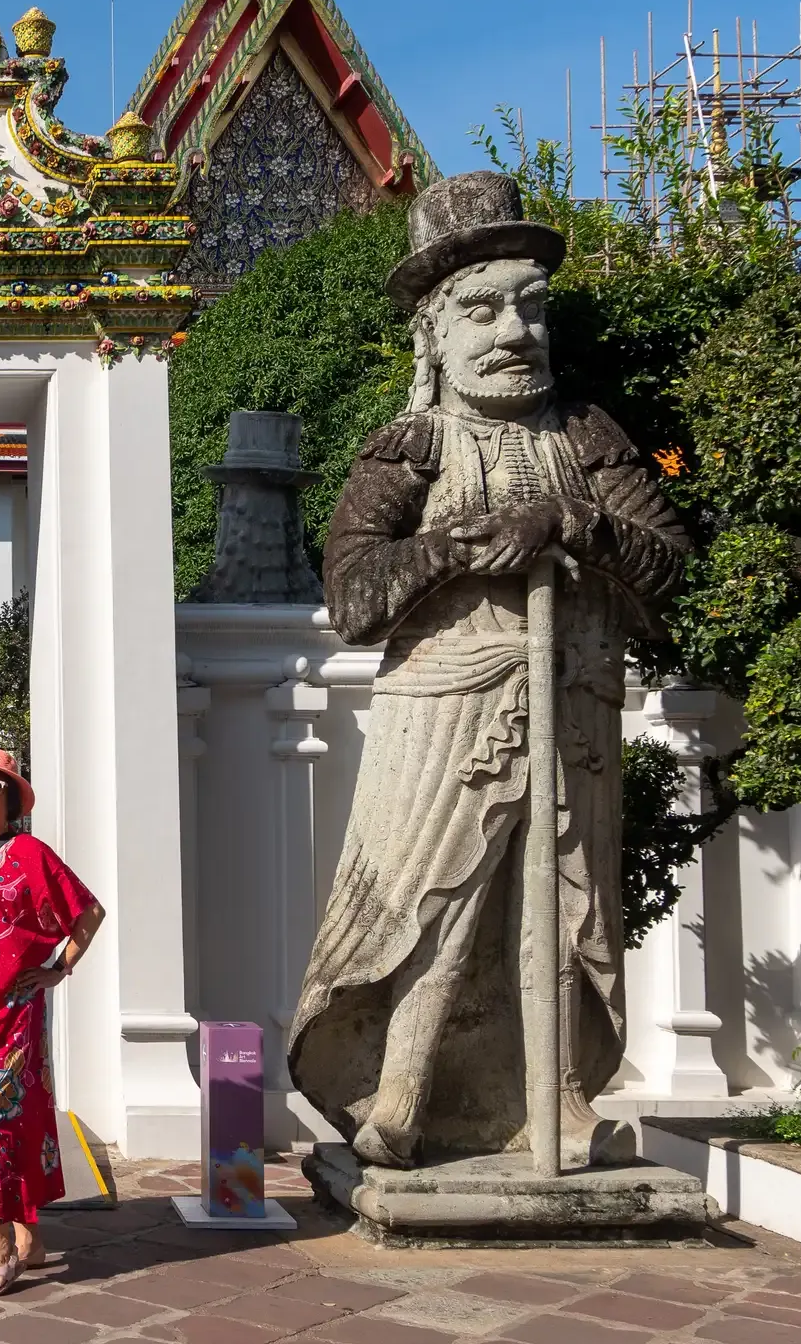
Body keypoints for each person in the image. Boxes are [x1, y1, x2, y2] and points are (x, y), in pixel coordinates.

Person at [290, 172, 688, 1170]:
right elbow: (352, 598)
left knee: (564, 904)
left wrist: (572, 525)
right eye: (481, 308)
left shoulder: (587, 439)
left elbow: (669, 563)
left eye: (529, 308)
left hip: (571, 696)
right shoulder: (412, 443)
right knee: (431, 902)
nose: (512, 329)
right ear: (433, 333)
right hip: (445, 705)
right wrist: (461, 547)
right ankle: (399, 1091)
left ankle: (551, 1099)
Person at [0, 748, 104, 1297]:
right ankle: (32, 1235)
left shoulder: (28, 851)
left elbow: (88, 912)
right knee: (16, 1118)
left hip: (11, 1014)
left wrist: (58, 969)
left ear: (9, 799)